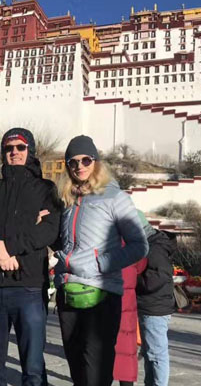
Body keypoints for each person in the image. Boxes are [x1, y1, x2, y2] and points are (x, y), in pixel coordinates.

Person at [0, 128, 61, 386]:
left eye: (20, 147)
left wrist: (10, 247)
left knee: (33, 370)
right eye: (9, 148)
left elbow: (50, 230)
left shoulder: (45, 189)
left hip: (28, 287)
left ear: (31, 151)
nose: (14, 152)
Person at [53, 135, 148, 386]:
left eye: (86, 160)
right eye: (73, 162)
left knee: (97, 372)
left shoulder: (115, 198)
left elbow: (140, 246)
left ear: (96, 161)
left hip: (102, 294)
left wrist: (98, 263)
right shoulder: (67, 200)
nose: (79, 166)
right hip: (69, 293)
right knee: (78, 371)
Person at [136, 212, 177, 386]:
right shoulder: (151, 245)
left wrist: (132, 280)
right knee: (149, 352)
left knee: (156, 353)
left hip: (154, 307)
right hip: (152, 304)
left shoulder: (155, 248)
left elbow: (156, 279)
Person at [113, 259, 147, 386]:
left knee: (103, 352)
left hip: (105, 297)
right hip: (127, 302)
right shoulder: (133, 243)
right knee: (127, 352)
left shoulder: (102, 242)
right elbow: (141, 264)